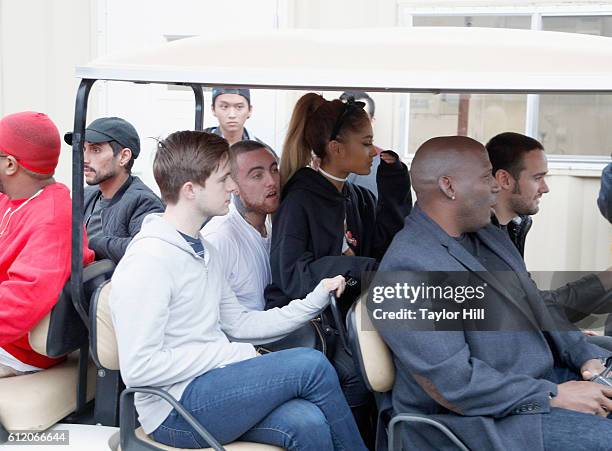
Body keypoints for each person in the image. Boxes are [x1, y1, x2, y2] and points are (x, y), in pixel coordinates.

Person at [110, 130, 367, 450]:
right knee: (311, 365)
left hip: (211, 387)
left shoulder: (204, 251)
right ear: (190, 190)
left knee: (308, 422)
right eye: (223, 180)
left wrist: (313, 300)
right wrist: (231, 353)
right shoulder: (149, 261)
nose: (232, 187)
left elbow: (241, 324)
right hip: (173, 410)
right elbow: (139, 370)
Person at [375, 135, 612, 451]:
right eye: (486, 177)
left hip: (537, 384)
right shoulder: (407, 269)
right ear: (449, 186)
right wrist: (554, 395)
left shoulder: (488, 234)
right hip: (482, 422)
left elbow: (537, 303)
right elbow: (455, 385)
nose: (496, 186)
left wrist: (585, 356)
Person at [267, 92, 412, 309]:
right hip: (310, 328)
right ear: (336, 148)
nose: (373, 151)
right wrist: (355, 269)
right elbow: (292, 277)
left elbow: (384, 254)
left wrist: (394, 184)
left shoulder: (360, 198)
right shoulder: (298, 201)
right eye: (366, 143)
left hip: (352, 319)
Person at [486, 132, 612, 333]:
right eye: (538, 178)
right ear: (504, 179)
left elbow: (531, 303)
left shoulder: (513, 227)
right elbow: (530, 311)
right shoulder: (483, 240)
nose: (545, 188)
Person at [0, 111, 95, 378]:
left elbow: (24, 299)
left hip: (15, 347)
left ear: (10, 164)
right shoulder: (11, 199)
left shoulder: (54, 217)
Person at [64, 117, 164, 264]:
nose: (84, 159)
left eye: (96, 150)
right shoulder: (86, 194)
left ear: (123, 157)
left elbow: (146, 249)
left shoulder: (143, 202)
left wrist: (88, 243)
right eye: (83, 149)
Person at [202, 140, 279, 310]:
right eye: (257, 175)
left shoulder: (272, 226)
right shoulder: (218, 238)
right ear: (233, 185)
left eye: (274, 170)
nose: (272, 181)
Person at [342, 91, 383, 198]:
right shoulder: (318, 162)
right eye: (345, 119)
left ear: (372, 122)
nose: (353, 126)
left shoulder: (388, 166)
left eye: (362, 118)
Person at [205, 88, 270, 149]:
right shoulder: (198, 145)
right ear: (213, 109)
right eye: (224, 107)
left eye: (239, 107)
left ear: (249, 110)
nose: (232, 115)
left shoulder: (262, 151)